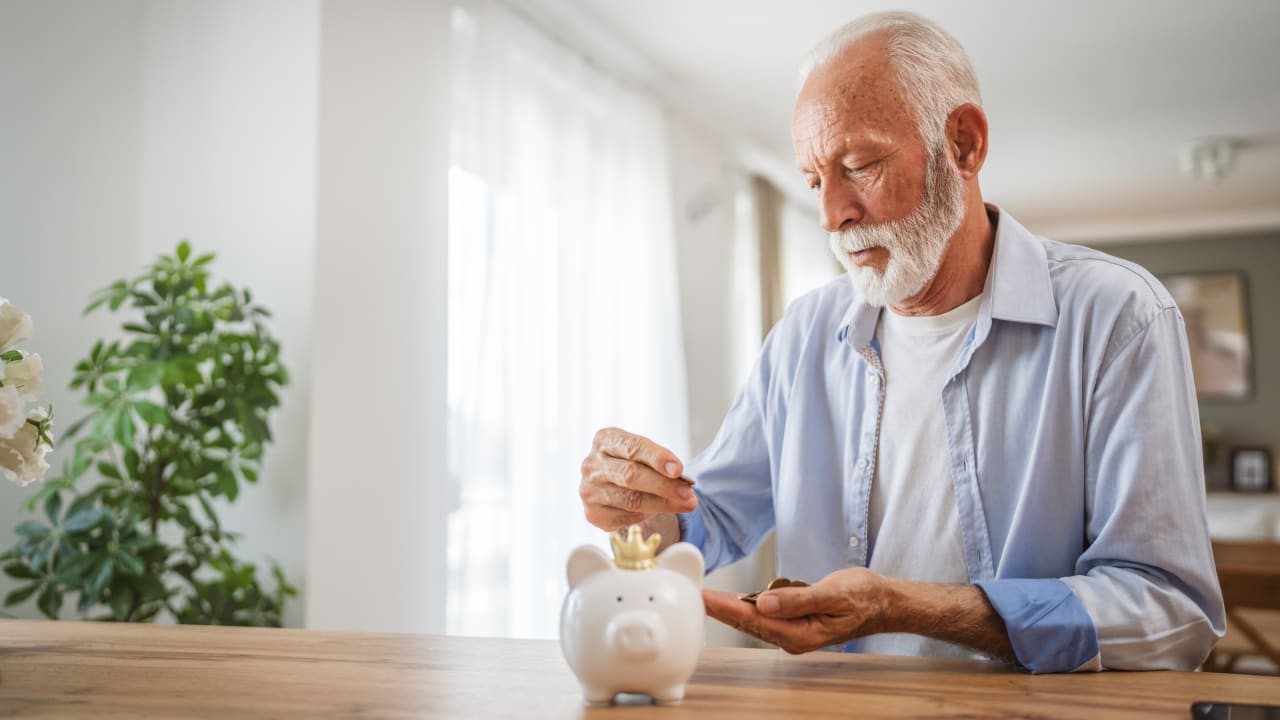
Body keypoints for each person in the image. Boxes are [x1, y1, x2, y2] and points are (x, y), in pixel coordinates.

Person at [577, 11, 1224, 673]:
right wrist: (640, 507)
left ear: (964, 145)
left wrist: (903, 607)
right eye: (814, 181)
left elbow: (1170, 614)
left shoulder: (1118, 318)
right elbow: (710, 516)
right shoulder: (803, 334)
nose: (832, 215)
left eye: (860, 165)